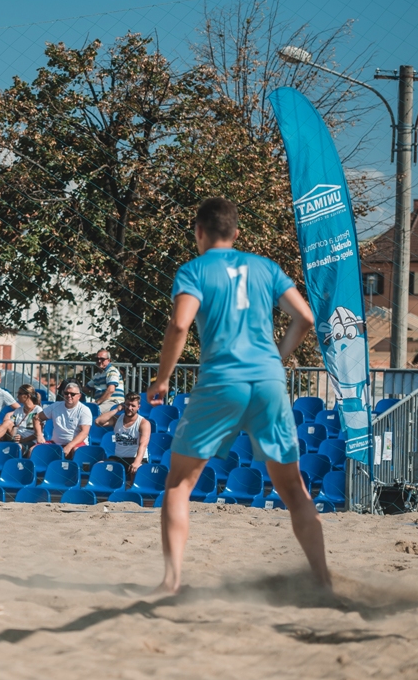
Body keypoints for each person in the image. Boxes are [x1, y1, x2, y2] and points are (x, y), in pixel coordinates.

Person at [146, 196, 330, 595]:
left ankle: (172, 580)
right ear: (237, 233)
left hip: (221, 382)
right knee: (294, 489)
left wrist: (163, 379)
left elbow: (180, 326)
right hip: (268, 382)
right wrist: (276, 358)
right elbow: (306, 318)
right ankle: (324, 582)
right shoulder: (265, 267)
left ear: (198, 232)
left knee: (179, 485)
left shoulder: (193, 270)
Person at [95, 392, 151, 486]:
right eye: (128, 404)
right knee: (99, 465)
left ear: (138, 407)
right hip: (119, 458)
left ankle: (132, 495)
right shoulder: (117, 419)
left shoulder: (143, 423)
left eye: (133, 406)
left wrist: (137, 462)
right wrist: (116, 409)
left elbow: (143, 444)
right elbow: (98, 422)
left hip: (136, 458)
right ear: (124, 404)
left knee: (135, 470)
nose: (130, 408)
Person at [34, 381, 92, 458]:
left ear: (79, 396)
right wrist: (39, 435)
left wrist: (69, 446)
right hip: (55, 443)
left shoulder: (84, 410)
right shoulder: (55, 406)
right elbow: (37, 418)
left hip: (76, 444)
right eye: (66, 393)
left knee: (75, 451)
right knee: (33, 450)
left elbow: (84, 432)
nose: (68, 395)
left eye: (72, 394)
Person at [0, 384, 41, 450]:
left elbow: (38, 433)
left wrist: (23, 440)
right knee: (7, 422)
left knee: (18, 447)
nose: (17, 396)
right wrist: (2, 426)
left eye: (19, 394)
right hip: (16, 437)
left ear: (27, 396)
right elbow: (11, 421)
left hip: (30, 441)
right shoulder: (18, 410)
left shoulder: (37, 410)